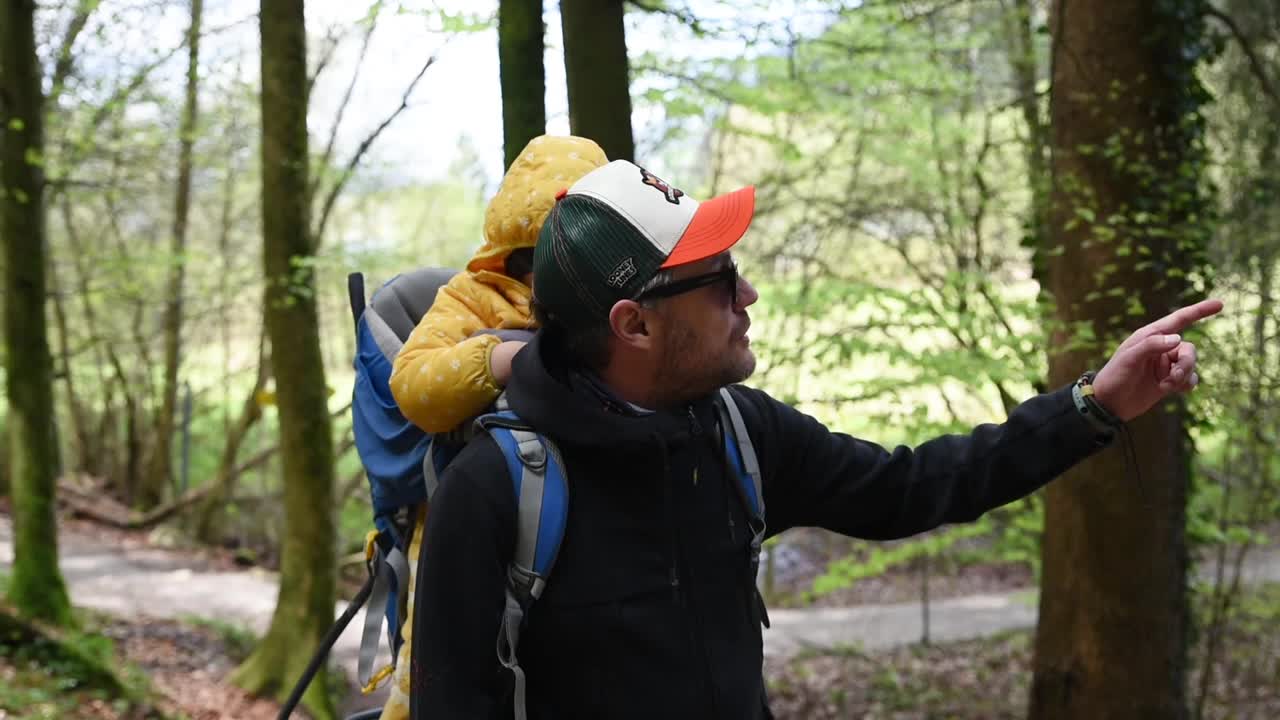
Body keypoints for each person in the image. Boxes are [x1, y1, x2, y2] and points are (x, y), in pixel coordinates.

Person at [408, 159, 1222, 719]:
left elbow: (913, 486)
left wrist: (1094, 403)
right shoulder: (495, 496)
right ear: (636, 324)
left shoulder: (738, 430)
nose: (749, 293)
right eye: (721, 279)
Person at [376, 135, 606, 720]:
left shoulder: (616, 298)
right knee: (436, 668)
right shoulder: (473, 299)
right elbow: (414, 386)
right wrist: (497, 358)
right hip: (469, 516)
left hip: (579, 519)